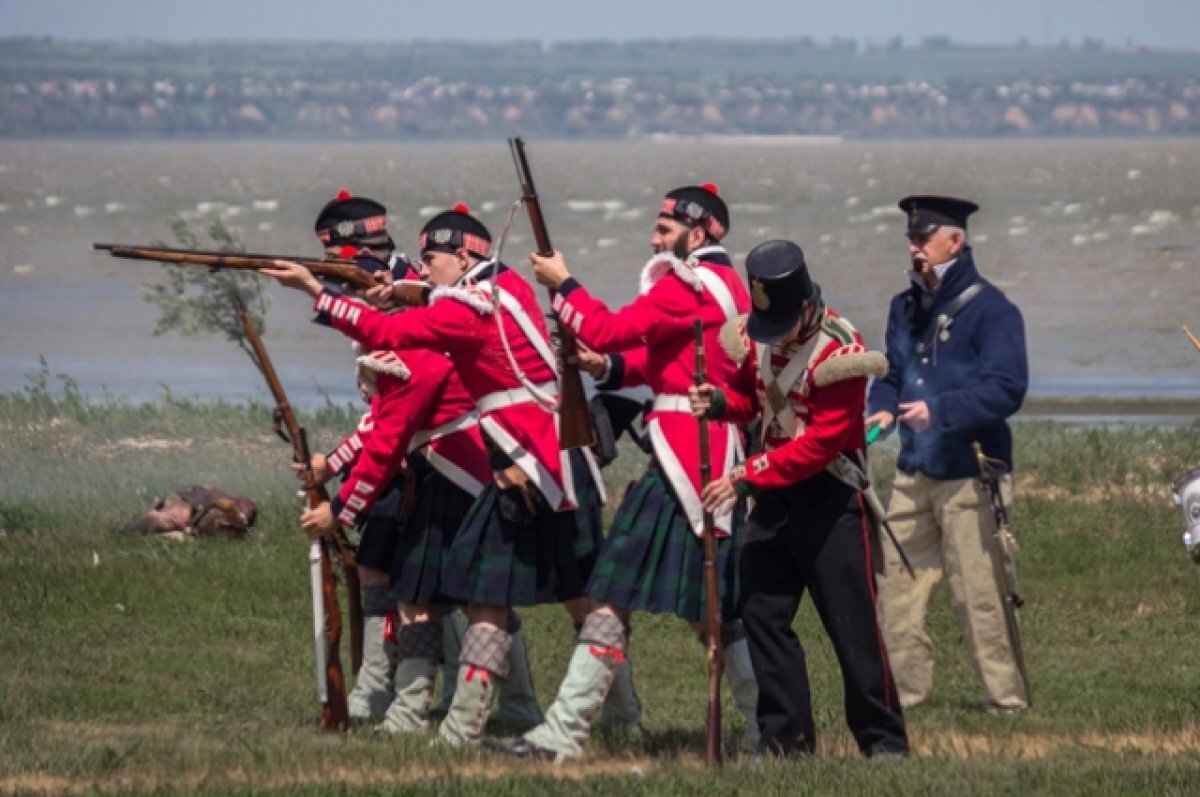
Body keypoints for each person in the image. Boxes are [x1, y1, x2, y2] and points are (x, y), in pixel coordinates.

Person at [260, 203, 607, 747]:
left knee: (574, 598)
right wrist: (405, 292)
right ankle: (467, 726)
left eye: (432, 259)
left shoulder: (470, 306)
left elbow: (387, 333)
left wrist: (313, 289)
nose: (422, 270)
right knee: (492, 598)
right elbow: (429, 308)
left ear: (465, 255)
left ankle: (541, 719)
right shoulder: (502, 285)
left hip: (530, 460)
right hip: (527, 456)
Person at [487, 183, 760, 763]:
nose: (654, 237)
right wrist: (607, 365)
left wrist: (565, 284)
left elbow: (608, 326)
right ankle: (765, 732)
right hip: (696, 450)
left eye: (664, 229)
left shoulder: (684, 283)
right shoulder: (721, 285)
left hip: (686, 460)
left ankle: (564, 732)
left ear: (702, 229)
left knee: (618, 596)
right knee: (711, 612)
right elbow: (663, 359)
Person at [299, 191, 543, 732]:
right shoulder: (429, 306)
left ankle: (416, 711)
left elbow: (388, 433)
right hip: (445, 462)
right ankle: (459, 704)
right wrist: (331, 467)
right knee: (451, 593)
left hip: (454, 466)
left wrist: (339, 508)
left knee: (444, 597)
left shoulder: (421, 331)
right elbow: (382, 422)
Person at [689, 239, 909, 758]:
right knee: (763, 616)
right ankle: (786, 741)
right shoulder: (755, 336)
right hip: (773, 498)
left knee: (851, 625)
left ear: (806, 304)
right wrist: (721, 403)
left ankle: (884, 743)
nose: (773, 335)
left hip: (830, 498)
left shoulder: (841, 349)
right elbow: (755, 399)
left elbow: (821, 443)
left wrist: (745, 477)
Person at [865, 195, 1030, 714]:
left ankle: (1006, 700)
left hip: (971, 471)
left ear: (954, 241)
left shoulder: (994, 309)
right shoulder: (904, 306)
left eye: (923, 239)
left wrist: (938, 411)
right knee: (895, 593)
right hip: (914, 470)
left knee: (979, 594)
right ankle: (908, 698)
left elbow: (1007, 389)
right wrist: (884, 410)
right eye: (911, 239)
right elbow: (891, 374)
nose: (914, 247)